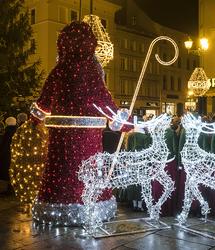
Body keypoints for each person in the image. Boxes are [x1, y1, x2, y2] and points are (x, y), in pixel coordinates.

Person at [29, 21, 130, 225]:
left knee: (61, 169)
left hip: (61, 136)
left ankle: (54, 204)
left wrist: (34, 117)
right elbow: (103, 98)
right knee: (90, 170)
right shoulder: (92, 71)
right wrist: (120, 120)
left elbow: (44, 101)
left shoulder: (59, 70)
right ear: (90, 44)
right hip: (88, 136)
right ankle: (92, 205)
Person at [0, 117, 17, 193]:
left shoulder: (7, 132)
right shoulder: (18, 131)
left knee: (6, 172)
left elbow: (4, 145)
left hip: (7, 155)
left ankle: (7, 189)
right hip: (15, 155)